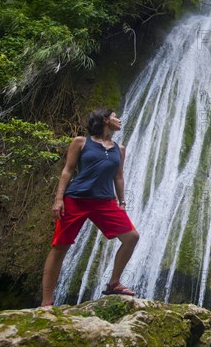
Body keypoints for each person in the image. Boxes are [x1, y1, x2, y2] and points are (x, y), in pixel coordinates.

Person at [41, 108, 140, 306]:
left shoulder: (119, 149)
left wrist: (122, 202)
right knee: (60, 247)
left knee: (131, 237)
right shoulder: (81, 142)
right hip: (76, 199)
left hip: (104, 201)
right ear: (105, 120)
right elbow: (68, 170)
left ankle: (113, 283)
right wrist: (59, 199)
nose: (119, 120)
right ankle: (46, 302)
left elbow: (118, 176)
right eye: (114, 116)